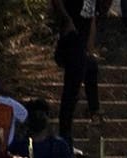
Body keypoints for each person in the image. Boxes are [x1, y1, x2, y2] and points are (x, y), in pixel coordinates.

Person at [49, 0, 102, 142]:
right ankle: (65, 133)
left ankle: (94, 113)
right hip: (68, 40)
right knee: (72, 88)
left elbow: (91, 20)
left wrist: (90, 49)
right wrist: (67, 21)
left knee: (91, 66)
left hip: (82, 45)